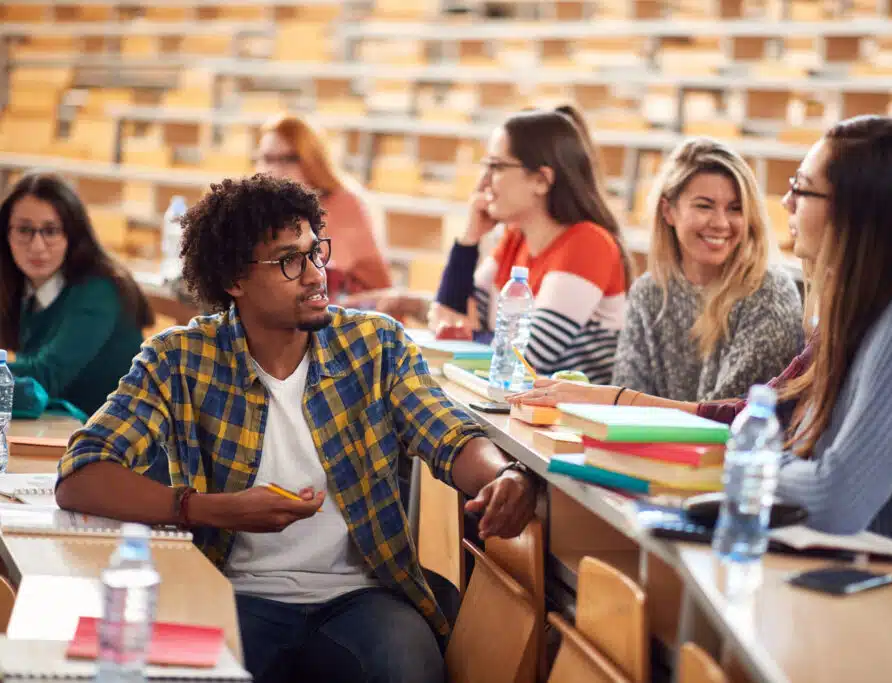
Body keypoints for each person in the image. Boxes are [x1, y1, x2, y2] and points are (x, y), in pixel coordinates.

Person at [513, 116, 892, 649]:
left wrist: (734, 462)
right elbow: (758, 420)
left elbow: (836, 498)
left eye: (802, 188)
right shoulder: (852, 314)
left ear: (856, 209)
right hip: (843, 587)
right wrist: (623, 407)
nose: (786, 203)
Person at [54, 174, 539, 683]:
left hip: (361, 598)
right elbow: (81, 474)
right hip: (233, 592)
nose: (314, 275)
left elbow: (449, 435)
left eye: (315, 253)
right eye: (289, 261)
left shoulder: (375, 345)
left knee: (409, 668)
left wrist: (501, 475)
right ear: (234, 280)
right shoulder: (179, 358)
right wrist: (213, 509)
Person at [424, 106, 632, 384]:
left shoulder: (588, 243)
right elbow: (446, 319)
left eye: (496, 167)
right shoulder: (515, 238)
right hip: (515, 400)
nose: (483, 182)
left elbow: (525, 359)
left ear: (541, 180)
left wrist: (471, 335)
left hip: (568, 410)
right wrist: (469, 239)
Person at [612, 137, 802, 402]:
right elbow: (624, 400)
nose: (721, 223)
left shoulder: (770, 292)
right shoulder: (649, 290)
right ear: (668, 211)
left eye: (735, 209)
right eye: (704, 206)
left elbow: (728, 415)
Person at [0, 172, 154, 415]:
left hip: (112, 433)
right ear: (6, 234)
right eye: (24, 229)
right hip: (60, 423)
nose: (37, 246)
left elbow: (45, 376)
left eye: (51, 231)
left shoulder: (99, 289)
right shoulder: (18, 285)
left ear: (71, 235)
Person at [257, 115, 392, 298]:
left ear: (312, 160)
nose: (275, 170)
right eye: (267, 159)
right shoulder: (270, 207)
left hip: (354, 307)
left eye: (289, 159)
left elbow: (312, 272)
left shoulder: (343, 202)